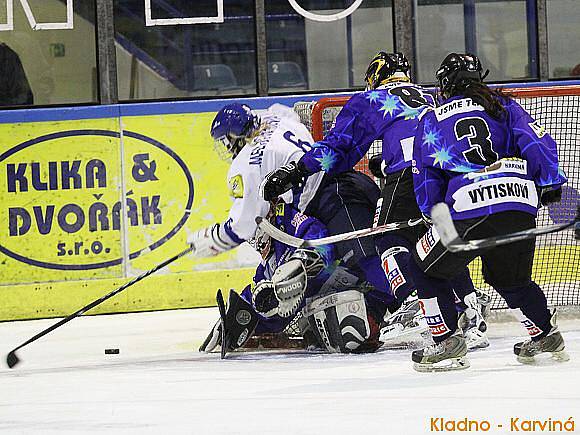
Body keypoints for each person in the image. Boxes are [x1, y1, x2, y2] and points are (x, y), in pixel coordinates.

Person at [260, 52, 488, 348]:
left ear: (376, 76)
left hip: (410, 173)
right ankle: (470, 311)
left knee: (387, 240)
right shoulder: (430, 96)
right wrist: (384, 161)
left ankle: (413, 305)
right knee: (440, 242)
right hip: (448, 173)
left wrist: (297, 169)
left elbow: (338, 149)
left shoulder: (374, 99)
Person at [409, 52, 569, 372]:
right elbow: (536, 141)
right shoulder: (503, 104)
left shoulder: (434, 117)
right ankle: (545, 335)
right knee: (509, 278)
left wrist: (431, 212)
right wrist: (550, 181)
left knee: (424, 268)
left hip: (471, 204)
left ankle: (445, 342)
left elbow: (426, 172)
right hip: (520, 202)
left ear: (445, 84)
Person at [199, 200, 393, 355]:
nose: (254, 241)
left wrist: (301, 262)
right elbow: (267, 308)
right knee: (329, 331)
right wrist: (238, 321)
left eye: (254, 233)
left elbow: (319, 239)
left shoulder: (286, 220)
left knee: (349, 318)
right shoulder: (267, 268)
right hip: (347, 296)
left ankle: (403, 305)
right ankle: (374, 320)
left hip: (366, 284)